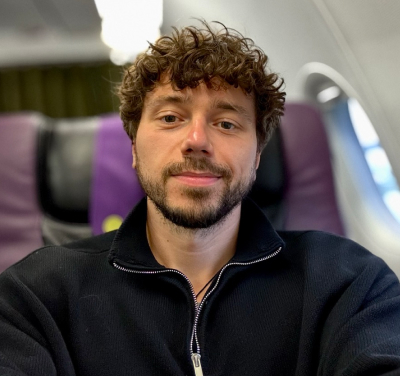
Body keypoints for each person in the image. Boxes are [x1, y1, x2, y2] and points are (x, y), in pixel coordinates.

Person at [0, 21, 400, 376]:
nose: (196, 141)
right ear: (134, 147)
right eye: (170, 118)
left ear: (257, 156)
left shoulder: (348, 282)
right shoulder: (36, 294)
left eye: (226, 123)